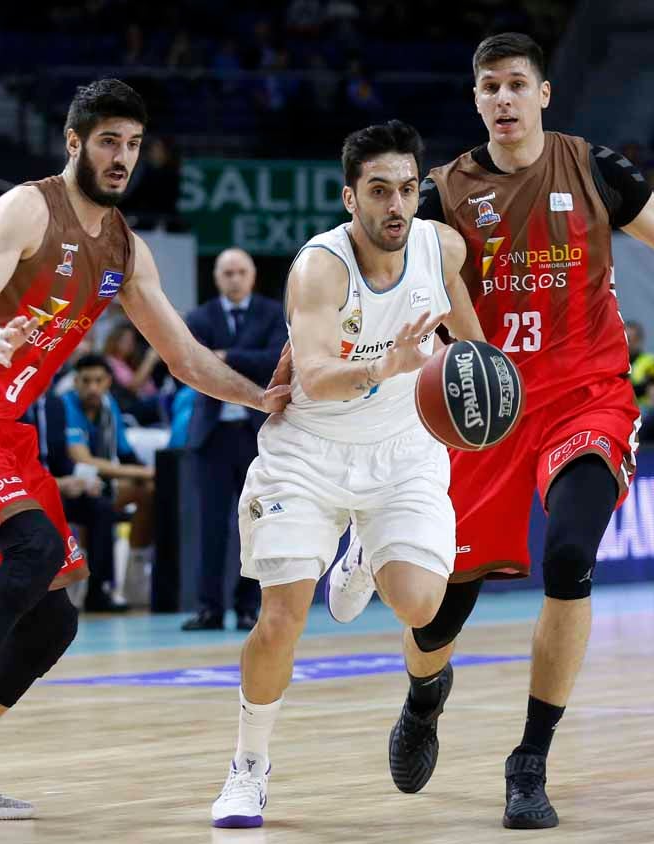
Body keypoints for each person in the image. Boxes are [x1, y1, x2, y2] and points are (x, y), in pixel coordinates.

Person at [327, 34, 654, 830]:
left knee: (570, 557)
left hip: (586, 400)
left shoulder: (596, 169)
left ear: (544, 94)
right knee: (439, 616)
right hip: (485, 415)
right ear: (476, 101)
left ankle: (529, 761)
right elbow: (383, 275)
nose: (502, 98)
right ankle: (426, 695)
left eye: (515, 84)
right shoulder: (441, 192)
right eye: (488, 86)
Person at [0, 78, 290, 821]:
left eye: (133, 144)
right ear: (74, 142)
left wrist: (262, 398)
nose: (122, 157)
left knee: (54, 617)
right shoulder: (26, 208)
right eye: (108, 141)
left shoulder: (125, 251)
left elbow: (187, 359)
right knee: (32, 551)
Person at [210, 120, 484, 829]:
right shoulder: (319, 267)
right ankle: (248, 769)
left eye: (407, 188)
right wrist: (384, 366)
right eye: (379, 191)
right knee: (281, 619)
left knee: (424, 605)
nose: (397, 204)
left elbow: (474, 348)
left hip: (401, 449)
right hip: (310, 450)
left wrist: (482, 392)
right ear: (350, 198)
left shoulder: (440, 246)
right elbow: (317, 374)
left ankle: (365, 546)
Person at [181, 247, 287, 632]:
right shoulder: (200, 317)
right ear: (217, 278)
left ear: (253, 276)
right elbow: (193, 361)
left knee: (256, 521)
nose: (235, 279)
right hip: (210, 436)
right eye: (228, 273)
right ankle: (209, 607)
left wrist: (225, 356)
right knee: (210, 525)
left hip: (254, 434)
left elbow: (275, 359)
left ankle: (248, 606)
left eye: (241, 271)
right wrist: (237, 358)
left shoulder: (272, 314)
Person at [62, 354, 153, 606]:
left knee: (152, 491)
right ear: (76, 381)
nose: (92, 387)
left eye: (98, 381)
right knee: (107, 502)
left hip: (99, 483)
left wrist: (145, 472)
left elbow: (124, 452)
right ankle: (100, 586)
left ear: (108, 382)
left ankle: (135, 577)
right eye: (86, 381)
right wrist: (142, 473)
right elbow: (83, 459)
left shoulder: (108, 406)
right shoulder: (65, 405)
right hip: (68, 484)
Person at [22, 388, 124, 612]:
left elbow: (61, 458)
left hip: (56, 486)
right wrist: (57, 483)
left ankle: (99, 590)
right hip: (23, 489)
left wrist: (81, 478)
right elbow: (13, 462)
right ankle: (41, 597)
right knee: (41, 511)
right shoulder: (11, 403)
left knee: (102, 508)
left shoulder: (54, 404)